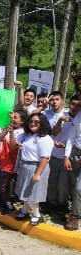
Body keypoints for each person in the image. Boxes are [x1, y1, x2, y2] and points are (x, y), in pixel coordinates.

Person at [11, 113, 53, 226]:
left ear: (42, 123)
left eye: (36, 122)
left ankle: (37, 215)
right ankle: (24, 211)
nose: (32, 123)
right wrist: (10, 131)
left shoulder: (45, 138)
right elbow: (13, 144)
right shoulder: (27, 135)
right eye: (31, 121)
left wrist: (38, 173)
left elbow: (45, 157)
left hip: (37, 167)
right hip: (25, 166)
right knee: (25, 192)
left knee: (32, 194)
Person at [44, 93, 80, 214]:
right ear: (68, 104)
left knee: (63, 184)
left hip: (68, 157)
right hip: (54, 154)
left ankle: (62, 204)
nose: (74, 107)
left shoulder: (79, 119)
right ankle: (51, 203)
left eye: (77, 105)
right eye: (73, 104)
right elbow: (54, 132)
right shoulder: (62, 115)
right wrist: (60, 121)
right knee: (52, 181)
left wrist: (66, 147)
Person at [0, 110, 27, 215]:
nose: (13, 119)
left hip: (10, 164)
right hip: (1, 162)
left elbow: (13, 146)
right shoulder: (8, 128)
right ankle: (2, 203)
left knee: (2, 186)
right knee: (3, 186)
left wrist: (11, 131)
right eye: (12, 117)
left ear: (22, 121)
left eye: (15, 117)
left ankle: (9, 206)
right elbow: (0, 139)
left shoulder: (22, 133)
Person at [64, 96, 81, 230]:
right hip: (75, 153)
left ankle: (75, 217)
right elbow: (71, 137)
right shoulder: (78, 116)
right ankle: (74, 210)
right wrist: (66, 156)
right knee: (73, 183)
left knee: (79, 188)